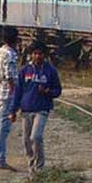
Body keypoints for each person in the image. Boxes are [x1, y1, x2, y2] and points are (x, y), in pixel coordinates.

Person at [10, 40, 62, 175]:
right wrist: (13, 110)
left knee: (36, 136)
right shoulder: (25, 70)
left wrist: (47, 92)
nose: (38, 56)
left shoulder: (50, 71)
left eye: (40, 54)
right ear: (31, 54)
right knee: (26, 140)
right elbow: (18, 91)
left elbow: (58, 90)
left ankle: (40, 167)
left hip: (42, 109)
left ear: (44, 55)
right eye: (35, 53)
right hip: (26, 110)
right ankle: (31, 164)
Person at [0, 27, 19, 170]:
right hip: (8, 95)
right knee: (4, 129)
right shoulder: (11, 54)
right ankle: (1, 160)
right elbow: (10, 77)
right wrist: (14, 97)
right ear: (15, 39)